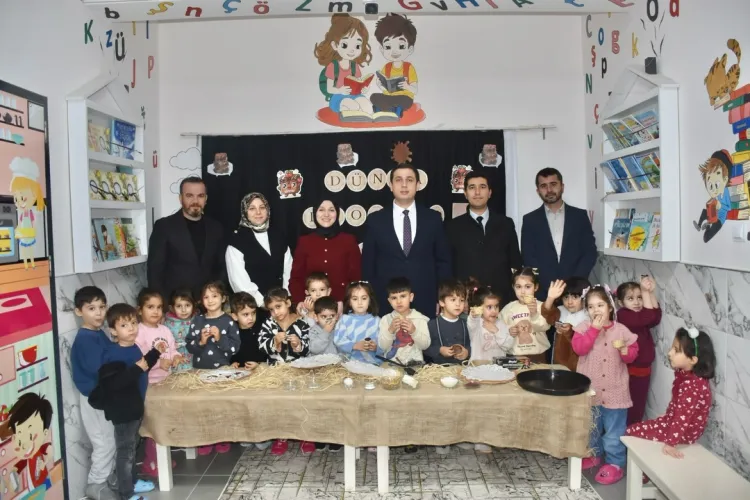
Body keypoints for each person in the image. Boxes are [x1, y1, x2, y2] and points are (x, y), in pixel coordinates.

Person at [89, 303, 160, 500]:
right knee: (125, 452)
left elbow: (142, 366)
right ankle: (126, 493)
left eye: (133, 323)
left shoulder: (133, 347)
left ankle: (133, 482)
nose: (131, 328)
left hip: (135, 406)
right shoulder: (112, 354)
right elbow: (114, 383)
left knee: (132, 447)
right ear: (113, 331)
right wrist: (138, 368)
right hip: (122, 410)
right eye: (124, 325)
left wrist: (155, 353)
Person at [362, 163, 451, 318]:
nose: (404, 185)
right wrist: (370, 300)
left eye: (409, 180)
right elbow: (368, 264)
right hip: (386, 301)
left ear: (418, 185)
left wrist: (442, 297)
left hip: (425, 299)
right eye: (398, 180)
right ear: (391, 185)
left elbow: (443, 261)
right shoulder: (375, 220)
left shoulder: (433, 219)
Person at [572, 285, 638, 485]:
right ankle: (593, 455)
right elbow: (579, 349)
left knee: (613, 432)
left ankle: (615, 463)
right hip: (591, 390)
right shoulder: (583, 328)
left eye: (600, 305)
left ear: (610, 307)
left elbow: (631, 355)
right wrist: (594, 330)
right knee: (591, 427)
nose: (596, 310)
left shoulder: (621, 330)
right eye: (591, 307)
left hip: (616, 390)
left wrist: (626, 351)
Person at [626, 327, 715, 459]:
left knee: (631, 431)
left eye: (676, 350)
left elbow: (682, 417)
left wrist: (671, 443)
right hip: (675, 425)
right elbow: (680, 407)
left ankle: (634, 468)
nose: (670, 353)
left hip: (683, 433)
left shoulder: (692, 386)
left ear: (693, 360)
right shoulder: (688, 376)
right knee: (635, 429)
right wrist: (668, 415)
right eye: (672, 348)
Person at [445, 170, 522, 305]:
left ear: (490, 192)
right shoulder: (452, 227)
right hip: (465, 302)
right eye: (472, 187)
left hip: (502, 300)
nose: (477, 192)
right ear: (465, 193)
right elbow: (448, 267)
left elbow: (515, 262)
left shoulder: (505, 224)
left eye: (482, 187)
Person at [70, 286, 118, 500]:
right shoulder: (85, 339)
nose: (98, 313)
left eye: (102, 307)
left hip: (103, 396)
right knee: (104, 442)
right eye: (91, 308)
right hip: (94, 398)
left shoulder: (97, 333)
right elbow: (100, 369)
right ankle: (96, 485)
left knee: (109, 439)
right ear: (78, 311)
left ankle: (107, 478)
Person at [521, 168, 597, 299]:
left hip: (576, 291)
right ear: (538, 191)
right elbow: (528, 256)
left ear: (562, 187)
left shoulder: (579, 216)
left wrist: (575, 283)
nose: (549, 190)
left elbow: (589, 252)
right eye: (543, 186)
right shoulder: (530, 220)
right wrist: (547, 285)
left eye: (553, 184)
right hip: (543, 292)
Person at [148, 176, 225, 300]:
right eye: (189, 195)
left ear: (206, 199)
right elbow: (155, 271)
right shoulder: (164, 226)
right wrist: (162, 305)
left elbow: (222, 267)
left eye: (200, 196)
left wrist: (216, 296)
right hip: (175, 304)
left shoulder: (216, 228)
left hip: (208, 303)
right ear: (180, 198)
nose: (195, 201)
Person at [185, 281, 241, 455]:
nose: (210, 300)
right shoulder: (197, 320)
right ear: (201, 301)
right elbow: (190, 347)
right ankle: (205, 438)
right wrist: (201, 342)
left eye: (214, 296)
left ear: (223, 298)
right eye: (206, 297)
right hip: (200, 371)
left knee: (221, 405)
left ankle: (222, 437)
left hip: (222, 371)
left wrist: (219, 339)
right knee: (202, 406)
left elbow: (234, 348)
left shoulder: (228, 321)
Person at [258, 287, 312, 456]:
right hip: (276, 372)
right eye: (271, 309)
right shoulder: (268, 324)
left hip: (298, 371)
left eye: (278, 306)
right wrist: (274, 341)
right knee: (280, 404)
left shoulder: (302, 323)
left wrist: (298, 345)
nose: (276, 312)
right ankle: (281, 436)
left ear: (288, 303)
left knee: (301, 403)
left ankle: (305, 435)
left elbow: (308, 348)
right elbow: (261, 346)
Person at [135, 288, 182, 477]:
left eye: (159, 307)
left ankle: (160, 458)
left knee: (164, 422)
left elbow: (172, 349)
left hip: (166, 382)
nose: (155, 311)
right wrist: (157, 364)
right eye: (150, 307)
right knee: (154, 425)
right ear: (139, 310)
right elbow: (139, 360)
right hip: (149, 386)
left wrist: (176, 357)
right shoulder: (138, 332)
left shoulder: (165, 330)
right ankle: (151, 463)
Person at [289, 198, 361, 307]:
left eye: (331, 210)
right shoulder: (305, 242)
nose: (326, 214)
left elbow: (356, 277)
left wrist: (344, 302)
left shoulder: (348, 240)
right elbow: (296, 278)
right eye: (321, 210)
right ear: (315, 213)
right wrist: (300, 302)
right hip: (312, 307)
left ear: (337, 214)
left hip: (343, 305)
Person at [226, 193, 293, 306]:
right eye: (252, 208)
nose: (258, 212)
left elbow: (289, 270)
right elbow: (239, 281)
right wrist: (264, 303)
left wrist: (285, 298)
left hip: (283, 305)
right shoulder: (236, 242)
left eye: (262, 207)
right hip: (253, 308)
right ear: (244, 212)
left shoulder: (279, 236)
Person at [616, 276, 662, 426]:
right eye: (630, 298)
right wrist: (644, 291)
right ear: (620, 303)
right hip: (631, 369)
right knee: (632, 408)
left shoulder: (639, 315)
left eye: (639, 297)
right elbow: (648, 317)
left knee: (638, 406)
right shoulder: (623, 315)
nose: (636, 302)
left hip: (642, 369)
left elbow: (655, 317)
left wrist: (650, 293)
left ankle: (631, 431)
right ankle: (627, 433)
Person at [228, 292, 272, 452]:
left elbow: (266, 352)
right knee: (242, 405)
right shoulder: (233, 332)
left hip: (260, 374)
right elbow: (231, 352)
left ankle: (263, 435)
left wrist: (258, 364)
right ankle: (246, 434)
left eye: (253, 313)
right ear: (234, 316)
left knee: (260, 406)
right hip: (241, 376)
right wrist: (232, 363)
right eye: (245, 314)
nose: (250, 318)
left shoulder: (261, 329)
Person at [499, 268, 556, 363]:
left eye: (528, 287)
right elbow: (499, 329)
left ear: (536, 287)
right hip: (514, 357)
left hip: (538, 356)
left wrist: (534, 314)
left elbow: (545, 327)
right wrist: (508, 330)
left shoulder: (541, 306)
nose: (523, 291)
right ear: (513, 287)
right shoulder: (508, 308)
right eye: (518, 287)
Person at [370, 13, 419, 115]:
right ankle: (390, 109)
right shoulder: (386, 67)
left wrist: (407, 86)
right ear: (382, 49)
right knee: (374, 97)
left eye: (401, 46)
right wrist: (381, 86)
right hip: (390, 97)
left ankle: (390, 110)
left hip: (404, 97)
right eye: (388, 47)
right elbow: (385, 90)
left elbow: (414, 90)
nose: (394, 51)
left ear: (410, 49)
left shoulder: (409, 67)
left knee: (404, 100)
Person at [378, 277, 430, 366]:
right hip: (391, 365)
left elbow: (425, 345)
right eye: (394, 298)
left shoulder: (421, 319)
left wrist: (414, 331)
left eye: (403, 296)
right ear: (389, 301)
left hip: (414, 366)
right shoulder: (386, 319)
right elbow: (382, 346)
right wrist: (390, 330)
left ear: (411, 297)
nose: (399, 301)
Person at [547, 276, 590, 371]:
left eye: (575, 297)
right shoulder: (560, 310)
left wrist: (570, 331)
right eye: (566, 297)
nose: (570, 302)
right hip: (558, 362)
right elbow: (547, 315)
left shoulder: (588, 315)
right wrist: (550, 298)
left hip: (579, 365)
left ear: (585, 298)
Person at [334, 281, 382, 364]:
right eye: (355, 299)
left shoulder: (377, 320)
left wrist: (376, 347)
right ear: (349, 302)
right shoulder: (344, 320)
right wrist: (354, 345)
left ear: (370, 300)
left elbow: (385, 343)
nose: (360, 303)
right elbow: (338, 340)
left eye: (364, 298)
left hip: (373, 363)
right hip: (350, 363)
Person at [425, 279, 469, 365]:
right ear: (442, 302)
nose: (458, 304)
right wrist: (439, 350)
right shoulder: (432, 325)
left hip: (462, 369)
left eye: (462, 300)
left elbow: (471, 345)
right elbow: (425, 348)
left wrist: (467, 352)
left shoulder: (466, 324)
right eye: (453, 300)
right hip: (439, 370)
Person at [467, 286, 513, 363]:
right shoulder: (476, 323)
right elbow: (472, 321)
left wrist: (496, 331)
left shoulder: (502, 324)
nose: (494, 311)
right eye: (489, 307)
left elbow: (508, 346)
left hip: (497, 368)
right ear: (479, 307)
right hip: (478, 367)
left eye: (496, 306)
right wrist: (474, 314)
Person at [163, 288, 196, 372]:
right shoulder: (167, 324)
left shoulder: (197, 321)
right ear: (172, 308)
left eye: (187, 305)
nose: (183, 310)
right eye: (179, 306)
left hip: (195, 363)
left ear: (193, 306)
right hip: (176, 364)